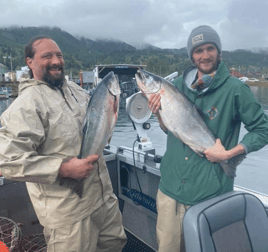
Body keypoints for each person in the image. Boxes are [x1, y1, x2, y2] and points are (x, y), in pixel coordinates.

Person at [0, 36, 127, 252]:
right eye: (47, 56)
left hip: (104, 200)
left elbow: (100, 132)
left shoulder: (77, 92)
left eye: (59, 55)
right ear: (30, 62)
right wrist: (63, 169)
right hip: (69, 215)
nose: (56, 61)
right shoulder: (26, 105)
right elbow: (8, 160)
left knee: (114, 245)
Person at [148, 25, 268, 252]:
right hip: (169, 192)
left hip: (209, 196)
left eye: (210, 48)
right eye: (198, 50)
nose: (204, 55)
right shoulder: (176, 86)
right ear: (191, 56)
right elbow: (170, 131)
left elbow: (263, 130)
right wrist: (158, 114)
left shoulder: (236, 90)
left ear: (218, 51)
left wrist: (229, 154)